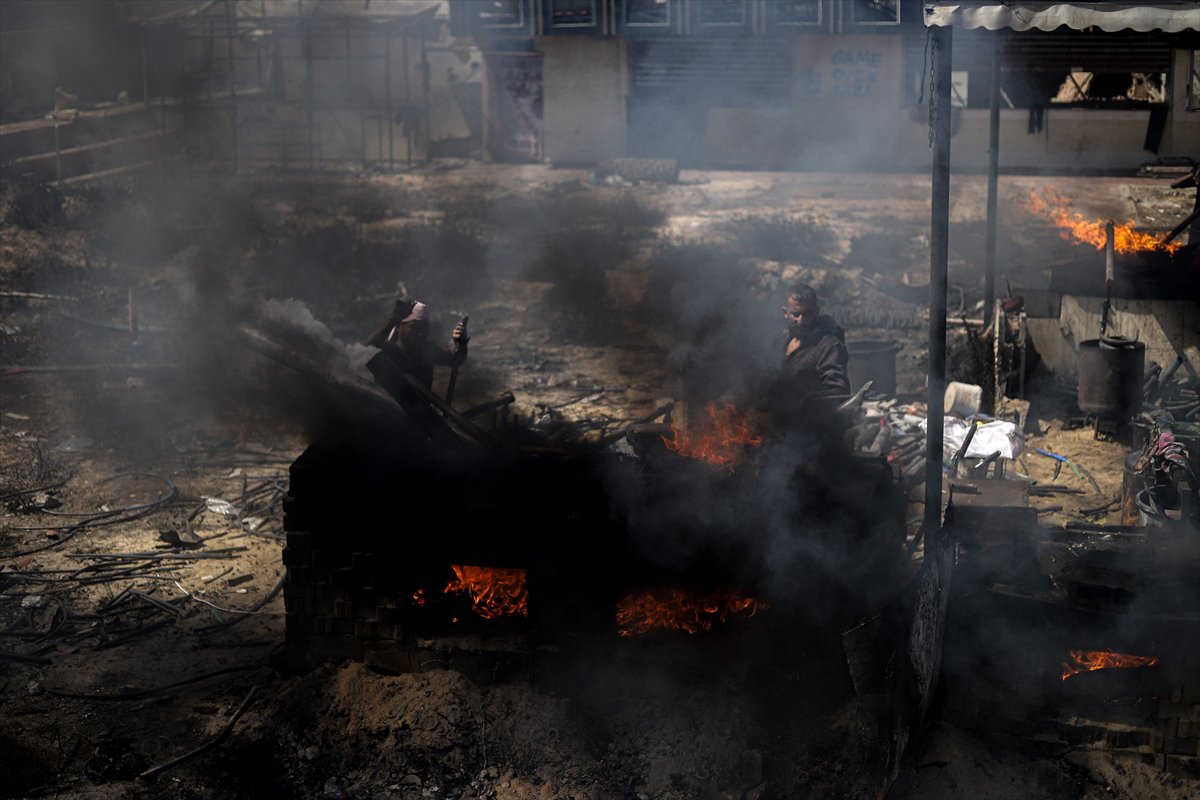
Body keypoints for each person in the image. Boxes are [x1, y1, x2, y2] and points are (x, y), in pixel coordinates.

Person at [365, 299, 467, 391]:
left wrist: (461, 343)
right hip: (389, 408)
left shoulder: (427, 349)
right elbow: (367, 349)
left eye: (424, 328)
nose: (420, 333)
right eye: (414, 327)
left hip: (419, 410)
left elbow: (455, 360)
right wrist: (394, 319)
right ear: (399, 326)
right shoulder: (388, 350)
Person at [780, 282, 850, 400]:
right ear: (785, 313)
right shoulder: (783, 339)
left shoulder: (829, 345)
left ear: (817, 312)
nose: (801, 321)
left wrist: (806, 400)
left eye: (806, 314)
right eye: (795, 314)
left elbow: (839, 392)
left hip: (810, 416)